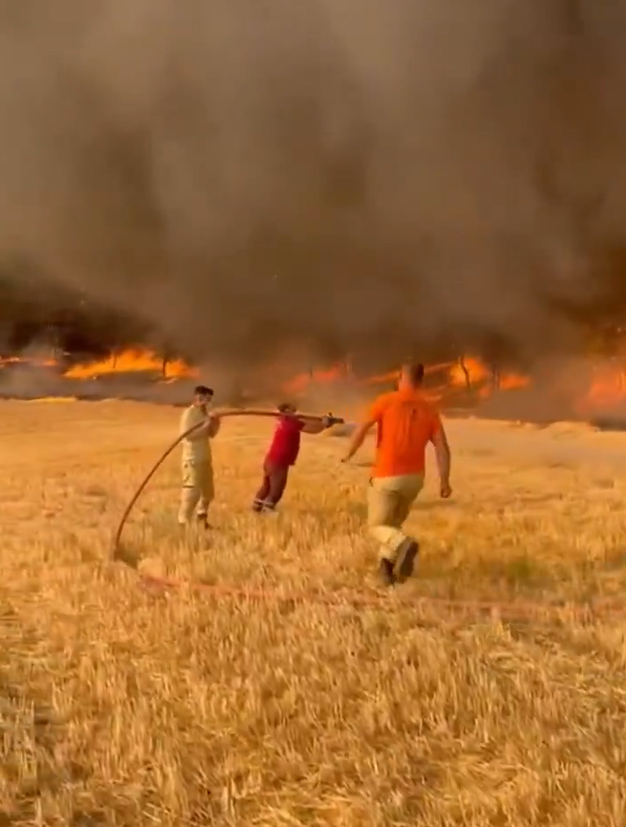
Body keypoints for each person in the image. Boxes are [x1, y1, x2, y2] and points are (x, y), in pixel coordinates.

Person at [341, 363, 452, 587]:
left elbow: (362, 428)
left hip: (386, 475)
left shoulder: (385, 401)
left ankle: (403, 545)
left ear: (402, 378)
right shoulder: (430, 408)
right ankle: (386, 571)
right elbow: (442, 447)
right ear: (421, 381)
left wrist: (348, 453)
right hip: (414, 479)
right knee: (393, 524)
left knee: (378, 527)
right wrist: (444, 480)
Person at [252, 403, 332, 512]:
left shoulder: (284, 422)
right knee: (276, 490)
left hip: (271, 459)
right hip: (279, 461)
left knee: (266, 486)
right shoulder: (291, 423)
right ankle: (267, 511)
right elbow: (312, 429)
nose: (296, 412)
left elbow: (307, 423)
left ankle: (256, 508)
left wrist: (323, 422)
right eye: (293, 411)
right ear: (286, 411)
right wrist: (324, 424)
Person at [178, 385, 220, 529]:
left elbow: (211, 434)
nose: (208, 402)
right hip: (192, 459)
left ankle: (202, 519)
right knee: (192, 492)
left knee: (208, 492)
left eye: (210, 399)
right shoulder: (189, 414)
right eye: (206, 399)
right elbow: (187, 435)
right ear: (198, 397)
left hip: (205, 457)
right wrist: (205, 424)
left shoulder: (205, 414)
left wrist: (215, 423)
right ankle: (183, 522)